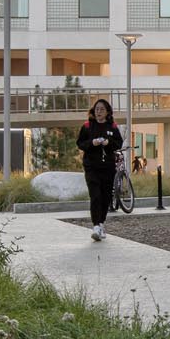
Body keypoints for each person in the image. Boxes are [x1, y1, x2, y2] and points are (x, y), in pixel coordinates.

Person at [77, 97, 125, 242]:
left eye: (102, 109)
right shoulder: (87, 126)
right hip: (91, 167)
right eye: (97, 109)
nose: (99, 112)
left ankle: (102, 223)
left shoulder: (113, 127)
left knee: (105, 197)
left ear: (107, 112)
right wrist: (92, 142)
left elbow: (118, 143)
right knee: (95, 195)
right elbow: (80, 143)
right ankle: (96, 226)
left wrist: (108, 142)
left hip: (108, 167)